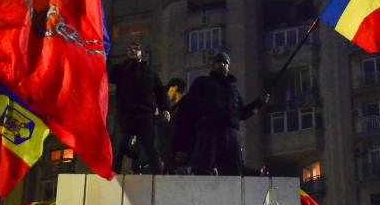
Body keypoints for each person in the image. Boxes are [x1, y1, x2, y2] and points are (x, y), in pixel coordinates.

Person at [175, 51, 270, 176]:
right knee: (205, 167)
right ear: (213, 65)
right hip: (209, 131)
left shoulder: (233, 89)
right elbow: (188, 109)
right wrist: (184, 144)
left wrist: (259, 103)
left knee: (234, 169)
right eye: (219, 62)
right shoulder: (202, 82)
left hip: (230, 133)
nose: (222, 65)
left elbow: (242, 113)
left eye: (225, 62)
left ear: (228, 66)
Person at [108, 42, 170, 174]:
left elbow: (160, 92)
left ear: (142, 53)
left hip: (146, 115)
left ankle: (157, 176)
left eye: (136, 49)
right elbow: (106, 74)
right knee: (119, 145)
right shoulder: (120, 69)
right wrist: (101, 56)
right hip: (125, 115)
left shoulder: (151, 73)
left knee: (151, 148)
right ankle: (113, 174)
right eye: (130, 49)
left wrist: (165, 108)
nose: (133, 51)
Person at [157, 77, 186, 174]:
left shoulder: (182, 107)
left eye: (169, 89)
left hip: (175, 155)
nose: (167, 94)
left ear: (175, 88)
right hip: (168, 155)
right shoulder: (172, 108)